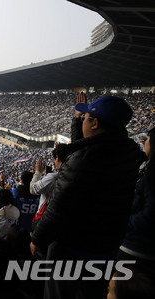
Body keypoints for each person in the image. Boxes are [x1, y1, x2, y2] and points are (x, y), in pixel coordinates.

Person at [30, 94, 146, 299]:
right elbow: (86, 147)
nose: (83, 119)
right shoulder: (128, 153)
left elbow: (59, 208)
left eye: (86, 117)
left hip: (73, 247)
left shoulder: (83, 160)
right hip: (107, 245)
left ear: (95, 123)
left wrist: (38, 239)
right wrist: (77, 119)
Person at [117, 127, 155, 280]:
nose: (143, 142)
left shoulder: (151, 175)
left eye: (147, 139)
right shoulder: (146, 168)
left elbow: (150, 214)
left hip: (136, 249)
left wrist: (124, 222)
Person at [29, 144, 67, 232]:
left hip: (43, 220)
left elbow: (32, 189)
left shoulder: (53, 177)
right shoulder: (71, 175)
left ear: (57, 158)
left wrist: (38, 172)